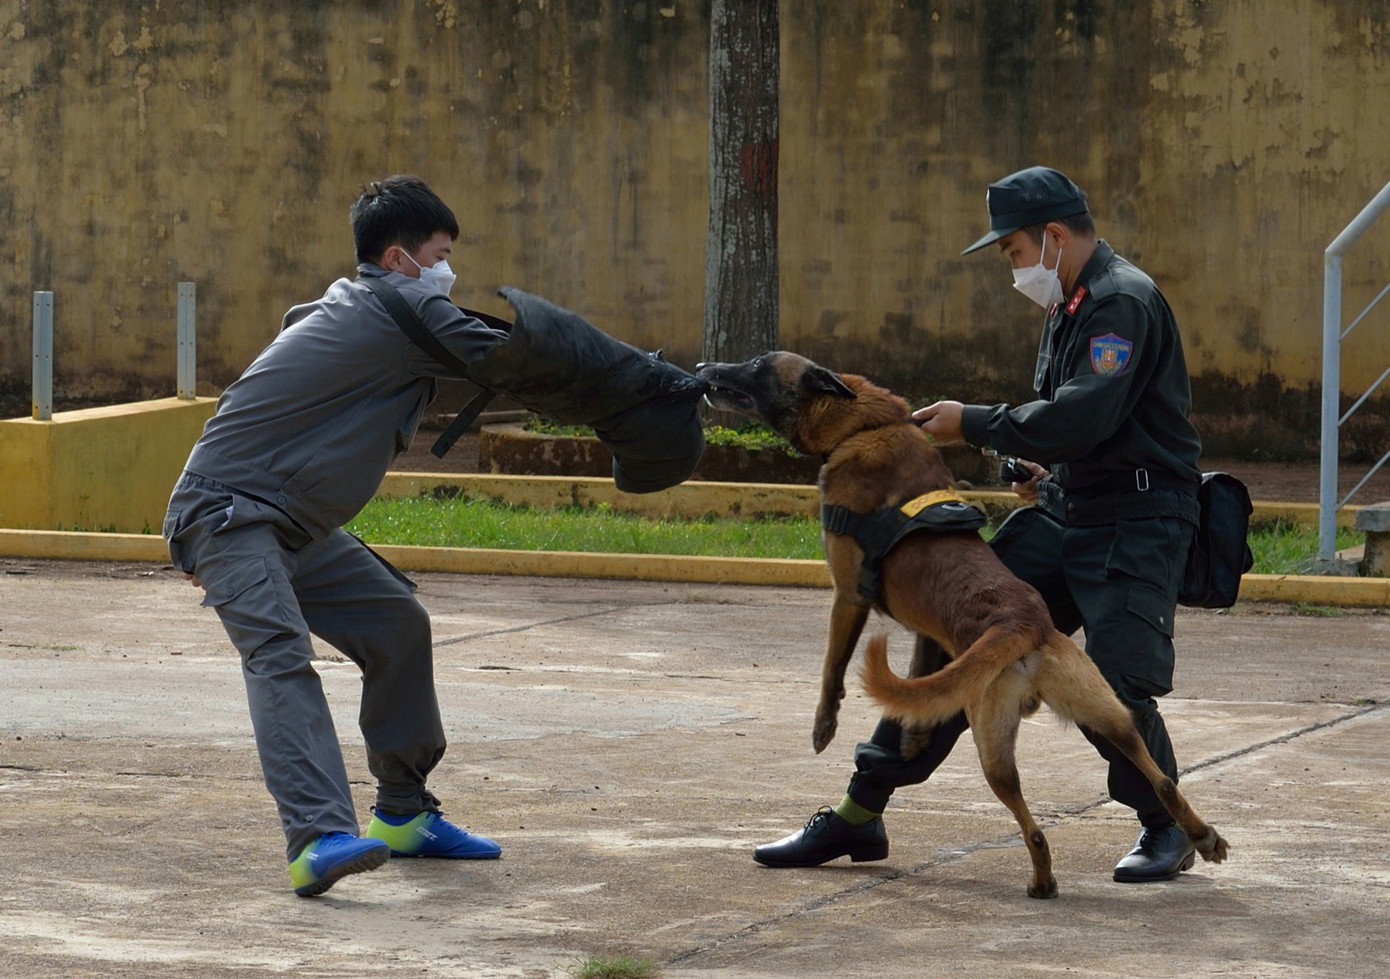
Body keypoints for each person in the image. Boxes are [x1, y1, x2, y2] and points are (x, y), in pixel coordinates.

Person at [753, 165, 1205, 884]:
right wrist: (1035, 467)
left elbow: (1085, 413)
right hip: (1069, 506)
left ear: (1053, 237)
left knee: (1117, 677)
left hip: (1138, 519)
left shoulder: (1122, 302)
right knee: (958, 629)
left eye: (1014, 252)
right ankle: (859, 811)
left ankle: (1166, 824)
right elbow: (1077, 430)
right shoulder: (1069, 305)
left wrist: (979, 423)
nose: (1014, 268)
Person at [163, 175, 512, 897]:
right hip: (228, 513)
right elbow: (515, 361)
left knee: (397, 623)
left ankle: (403, 814)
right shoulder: (388, 309)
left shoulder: (356, 311)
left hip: (289, 520)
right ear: (398, 259)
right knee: (280, 654)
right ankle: (317, 836)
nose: (449, 273)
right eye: (440, 255)